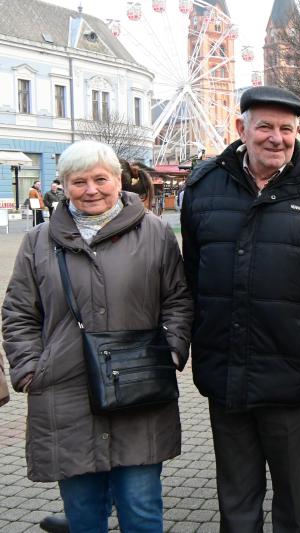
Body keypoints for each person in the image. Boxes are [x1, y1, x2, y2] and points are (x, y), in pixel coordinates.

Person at [181, 85, 300, 533]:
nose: (276, 138)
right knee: (237, 505)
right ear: (241, 128)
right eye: (264, 126)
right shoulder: (204, 188)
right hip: (226, 376)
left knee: (293, 506)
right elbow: (190, 278)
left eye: (287, 129)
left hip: (295, 376)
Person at [2, 139, 193, 533]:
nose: (91, 190)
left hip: (139, 389)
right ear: (63, 185)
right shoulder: (38, 242)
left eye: (100, 179)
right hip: (64, 390)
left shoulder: (154, 233)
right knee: (84, 513)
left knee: (140, 509)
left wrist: (171, 351)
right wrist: (28, 369)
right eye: (79, 181)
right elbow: (19, 313)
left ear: (118, 179)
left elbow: (178, 299)